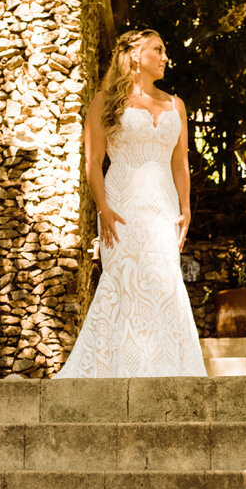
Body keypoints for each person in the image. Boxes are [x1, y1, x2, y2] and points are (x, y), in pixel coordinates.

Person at [55, 30, 208, 378]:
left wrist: (185, 209)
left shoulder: (175, 105)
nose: (165, 56)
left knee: (164, 280)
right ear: (136, 55)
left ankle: (166, 372)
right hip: (122, 201)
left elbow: (179, 163)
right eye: (159, 49)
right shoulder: (105, 100)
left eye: (165, 50)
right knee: (124, 280)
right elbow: (93, 162)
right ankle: (118, 371)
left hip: (163, 206)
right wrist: (103, 209)